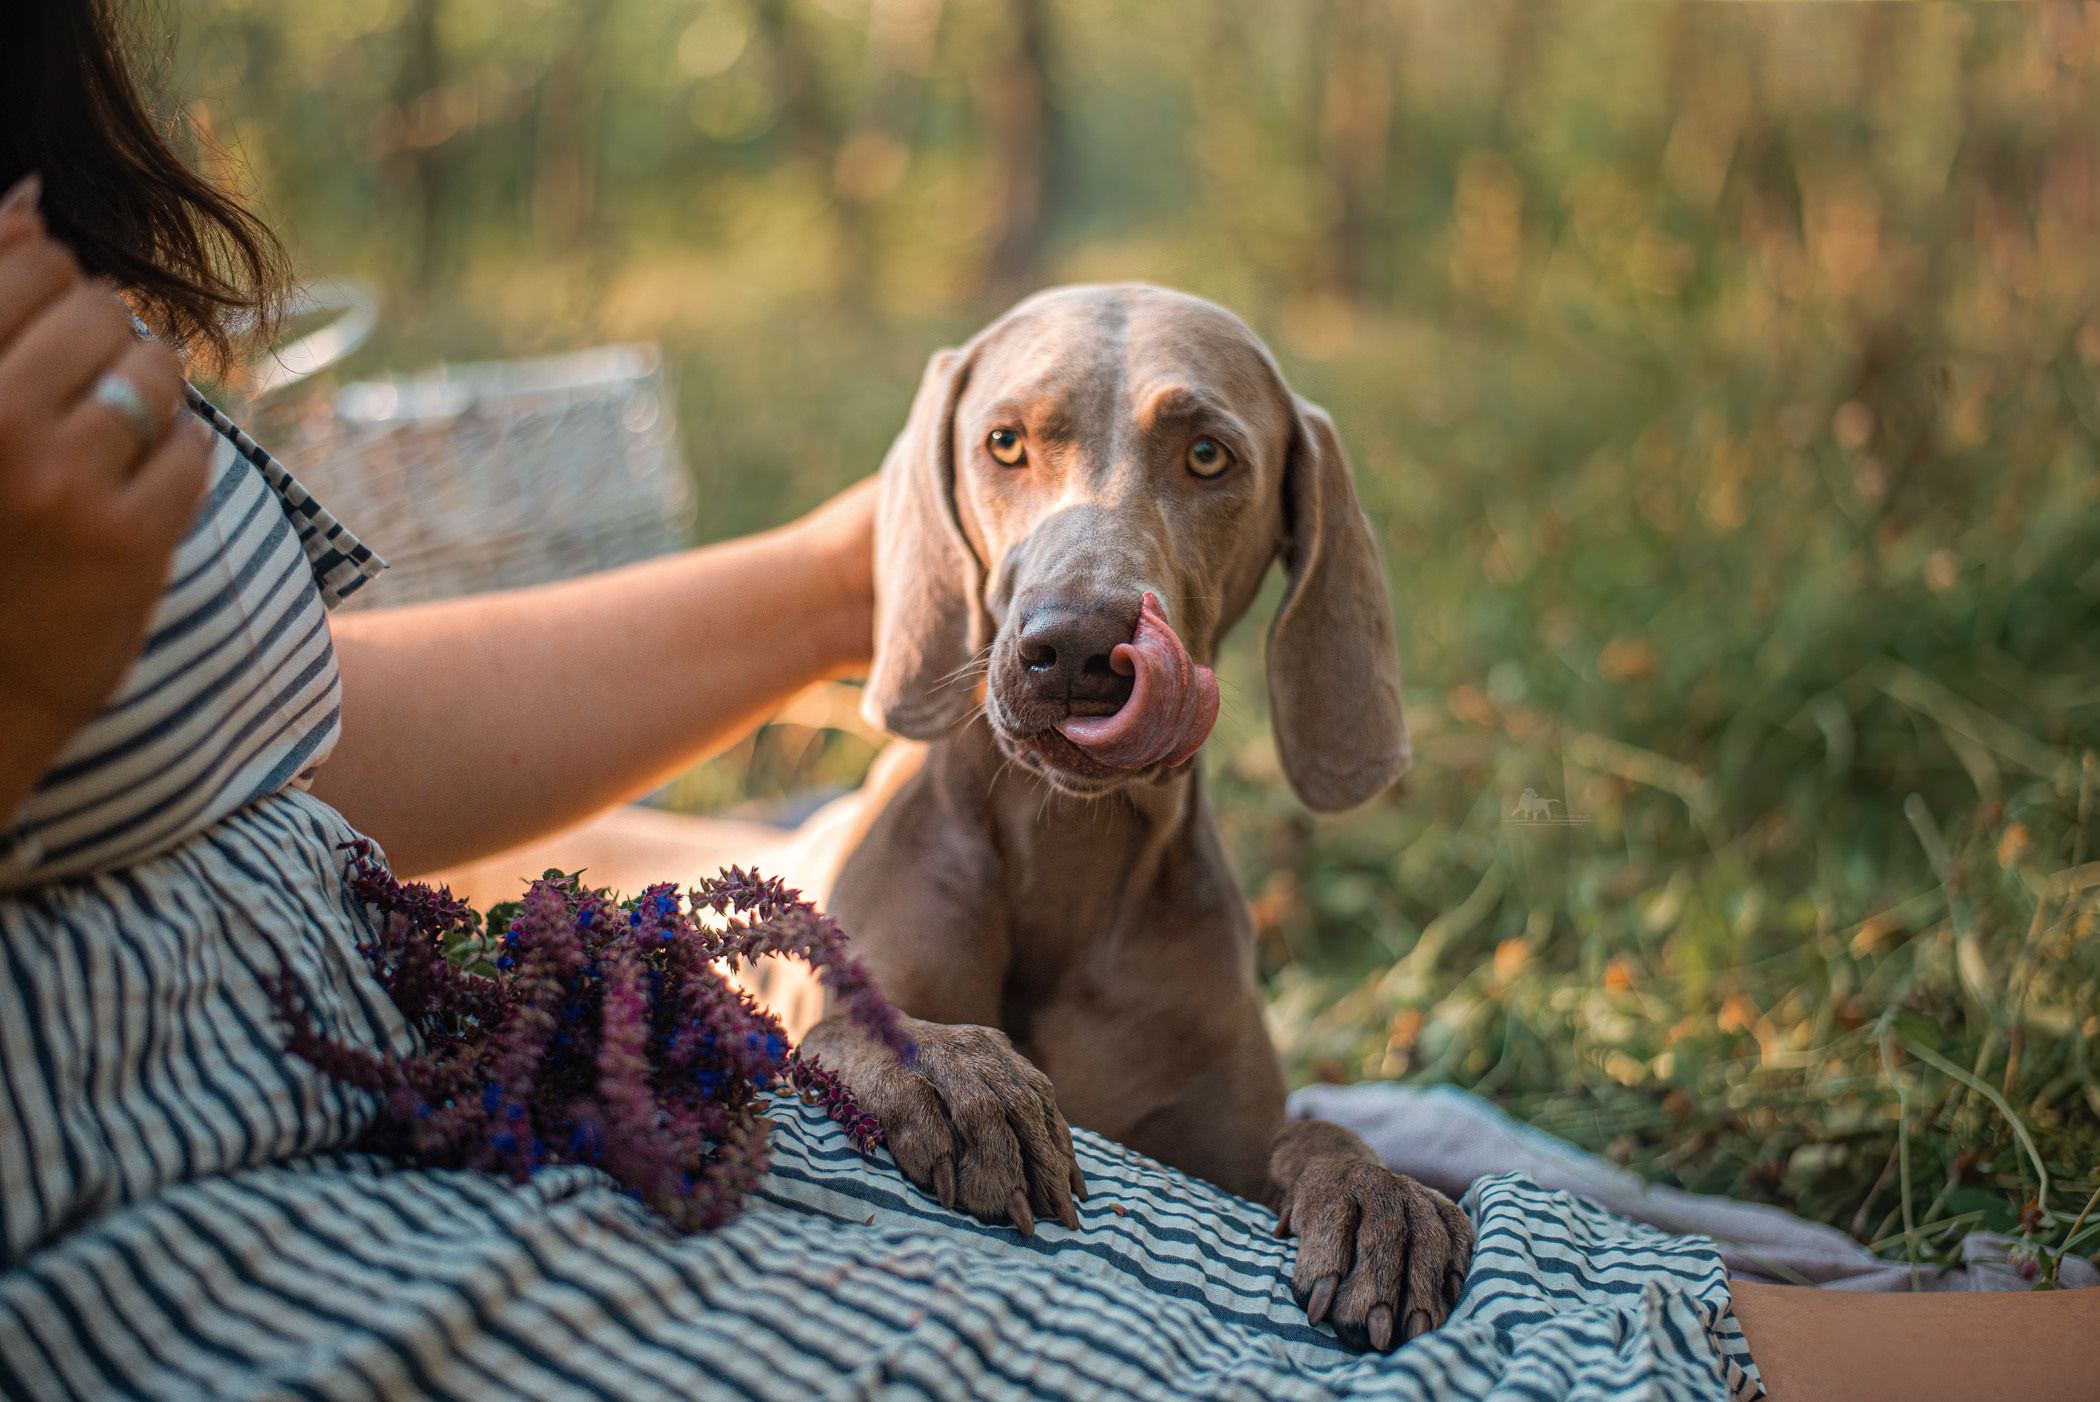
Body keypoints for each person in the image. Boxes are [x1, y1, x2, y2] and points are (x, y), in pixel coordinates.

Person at [1, 4, 2093, 1400]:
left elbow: (307, 727)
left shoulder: (1197, 934)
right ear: (950, 484)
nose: (1093, 546)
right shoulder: (838, 914)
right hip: (328, 1116)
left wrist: (1310, 1154)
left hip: (341, 961)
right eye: (1016, 454)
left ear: (1286, 541)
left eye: (1203, 460)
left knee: (1398, 1176)